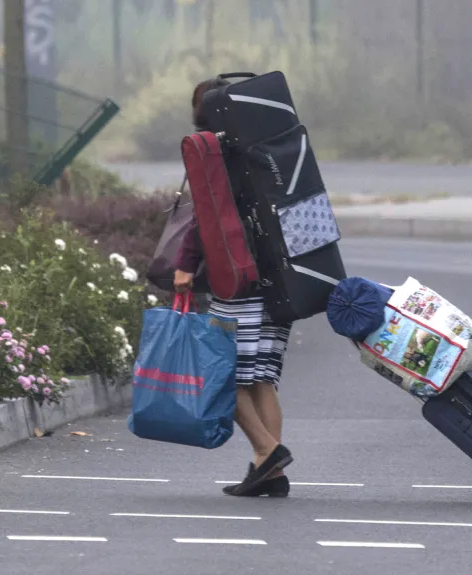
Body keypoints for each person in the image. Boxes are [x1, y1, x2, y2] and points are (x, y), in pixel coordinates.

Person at [174, 77, 294, 498]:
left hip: (236, 279)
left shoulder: (211, 151)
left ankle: (268, 451)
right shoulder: (269, 144)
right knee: (261, 378)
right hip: (280, 278)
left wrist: (185, 265)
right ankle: (271, 475)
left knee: (227, 378)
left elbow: (205, 218)